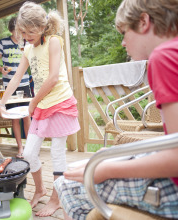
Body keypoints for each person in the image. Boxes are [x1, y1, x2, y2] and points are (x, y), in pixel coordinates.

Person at [54, 0, 178, 219]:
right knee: (98, 160)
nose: (122, 42)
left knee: (66, 184)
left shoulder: (165, 56)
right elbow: (172, 140)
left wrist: (108, 169)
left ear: (143, 22)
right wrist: (118, 154)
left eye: (124, 32)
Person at [0, 2, 80, 217]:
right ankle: (41, 189)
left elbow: (53, 78)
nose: (27, 36)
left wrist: (32, 102)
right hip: (42, 106)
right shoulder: (27, 48)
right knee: (27, 153)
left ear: (43, 27)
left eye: (31, 31)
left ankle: (57, 198)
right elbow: (17, 77)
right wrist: (2, 101)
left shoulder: (54, 42)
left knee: (57, 152)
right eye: (23, 32)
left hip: (60, 103)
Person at [0, 17, 32, 158]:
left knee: (26, 116)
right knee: (15, 118)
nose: (18, 35)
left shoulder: (27, 43)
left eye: (20, 31)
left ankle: (30, 147)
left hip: (25, 84)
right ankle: (20, 148)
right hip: (9, 86)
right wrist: (1, 68)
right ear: (11, 30)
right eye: (16, 31)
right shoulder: (3, 43)